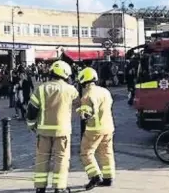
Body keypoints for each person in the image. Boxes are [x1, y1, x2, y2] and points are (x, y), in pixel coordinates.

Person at [26, 60, 79, 193]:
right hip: (62, 131)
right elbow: (79, 104)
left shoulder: (41, 88)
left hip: (43, 130)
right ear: (65, 74)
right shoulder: (71, 90)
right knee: (61, 159)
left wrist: (31, 124)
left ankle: (40, 187)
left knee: (42, 158)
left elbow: (32, 109)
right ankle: (59, 187)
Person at [77, 67, 115, 190]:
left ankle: (94, 176)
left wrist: (81, 111)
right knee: (106, 152)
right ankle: (108, 178)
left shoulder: (87, 95)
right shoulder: (105, 91)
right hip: (108, 127)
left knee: (86, 153)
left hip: (94, 129)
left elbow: (87, 114)